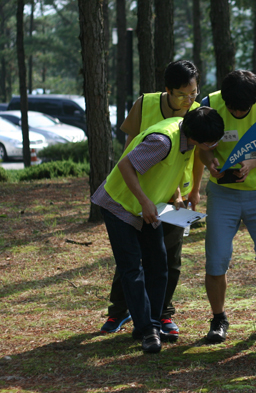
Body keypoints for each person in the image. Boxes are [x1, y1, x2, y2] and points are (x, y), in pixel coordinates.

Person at [92, 107, 225, 353]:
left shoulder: (187, 138)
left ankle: (149, 324)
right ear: (196, 138)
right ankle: (148, 330)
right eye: (211, 142)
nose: (214, 146)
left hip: (150, 207)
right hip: (120, 205)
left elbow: (167, 169)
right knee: (132, 268)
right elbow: (125, 165)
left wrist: (176, 195)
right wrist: (144, 201)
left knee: (158, 265)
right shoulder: (162, 141)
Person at [100, 60, 202, 341]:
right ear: (167, 90)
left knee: (166, 258)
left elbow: (194, 156)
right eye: (182, 95)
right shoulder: (145, 105)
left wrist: (190, 190)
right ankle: (122, 311)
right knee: (131, 261)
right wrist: (140, 194)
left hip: (171, 198)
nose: (189, 101)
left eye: (194, 93)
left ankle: (160, 315)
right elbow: (130, 150)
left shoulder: (196, 113)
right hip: (138, 195)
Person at [195, 70, 256, 343]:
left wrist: (253, 163)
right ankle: (218, 319)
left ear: (254, 99)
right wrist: (210, 162)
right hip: (223, 193)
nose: (236, 113)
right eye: (232, 108)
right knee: (216, 260)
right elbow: (203, 146)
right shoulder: (210, 103)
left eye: (242, 109)